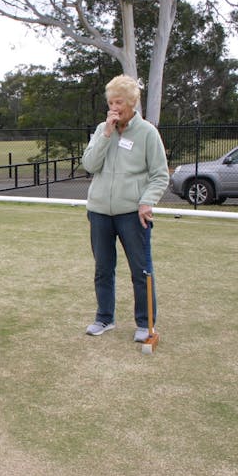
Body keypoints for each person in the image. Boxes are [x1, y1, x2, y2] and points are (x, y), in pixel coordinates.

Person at [81, 75, 169, 342]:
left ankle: (145, 324)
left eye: (119, 102)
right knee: (103, 268)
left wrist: (147, 201)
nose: (114, 107)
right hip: (99, 212)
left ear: (132, 102)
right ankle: (104, 318)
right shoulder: (101, 129)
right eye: (110, 102)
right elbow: (89, 165)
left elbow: (159, 174)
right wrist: (106, 135)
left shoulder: (147, 133)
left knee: (141, 270)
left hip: (132, 213)